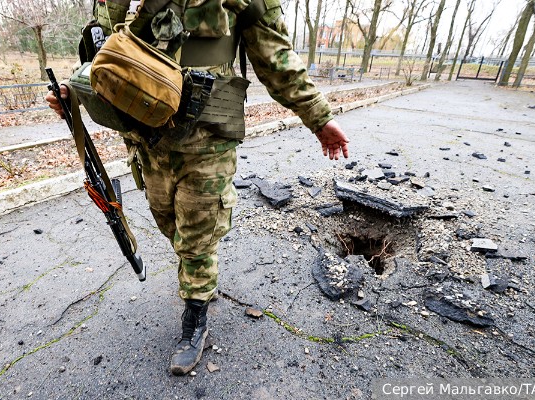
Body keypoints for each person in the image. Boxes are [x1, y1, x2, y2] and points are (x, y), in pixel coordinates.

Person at [45, 0, 349, 376]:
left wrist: (319, 119)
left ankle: (196, 316)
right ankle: (198, 277)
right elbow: (107, 57)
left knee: (196, 241)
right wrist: (75, 93)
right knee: (170, 227)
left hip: (208, 142)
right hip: (146, 142)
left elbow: (276, 60)